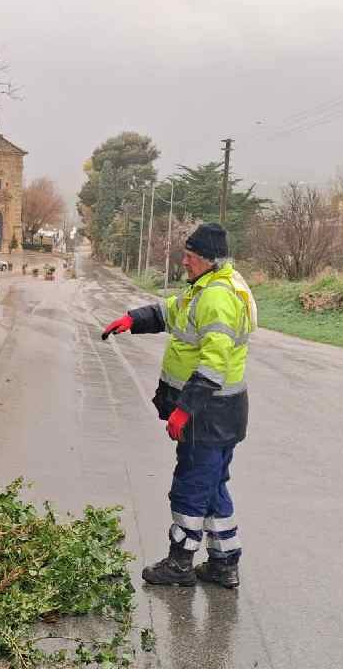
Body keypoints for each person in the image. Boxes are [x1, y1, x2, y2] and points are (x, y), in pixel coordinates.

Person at [101, 223, 256, 588]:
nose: (183, 260)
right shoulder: (208, 288)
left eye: (190, 255)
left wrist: (185, 409)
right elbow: (171, 312)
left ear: (208, 259)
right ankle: (223, 563)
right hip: (221, 414)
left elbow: (213, 363)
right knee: (213, 486)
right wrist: (133, 320)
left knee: (191, 486)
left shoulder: (217, 297)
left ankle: (180, 563)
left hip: (208, 415)